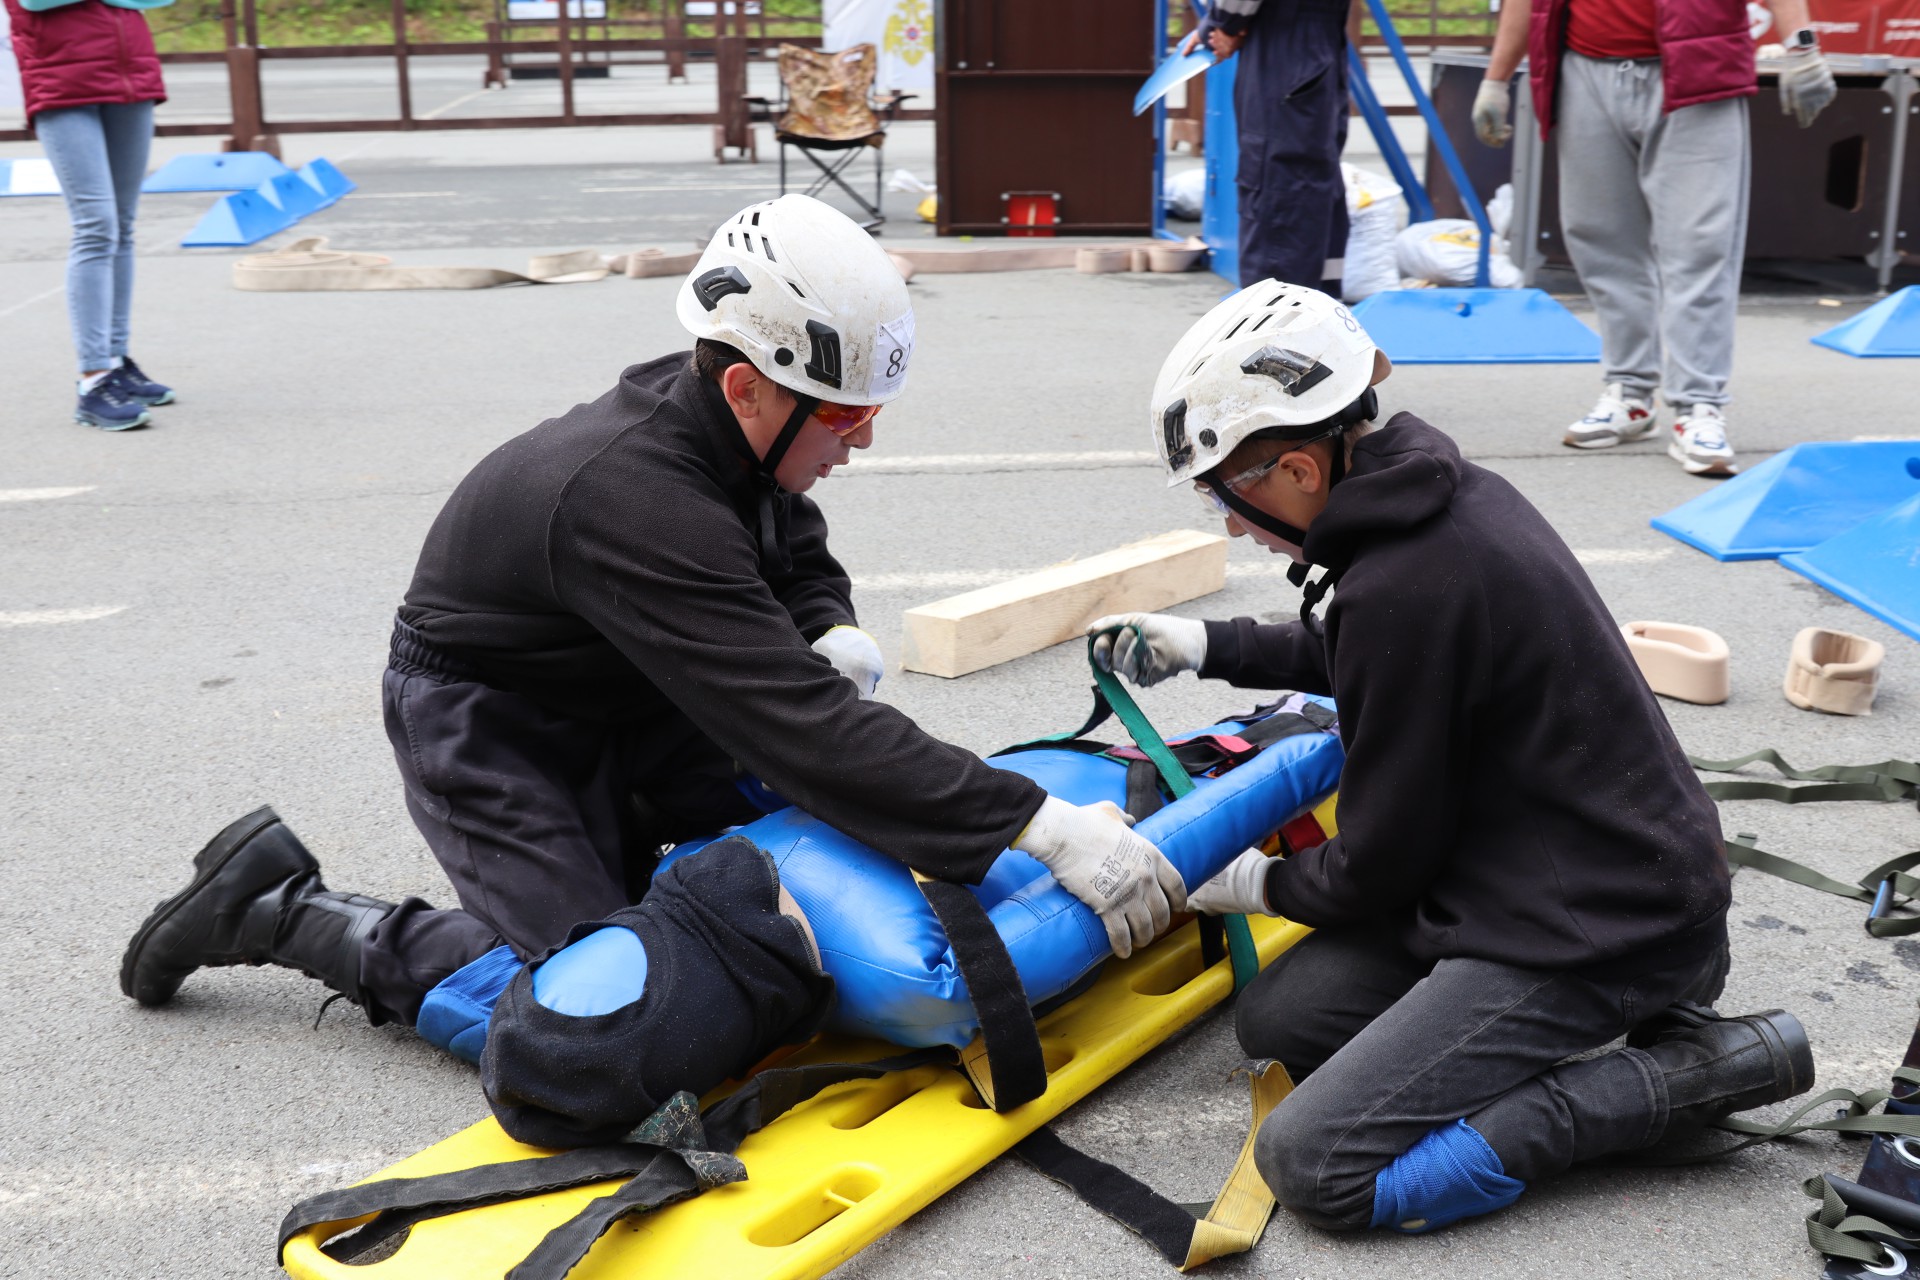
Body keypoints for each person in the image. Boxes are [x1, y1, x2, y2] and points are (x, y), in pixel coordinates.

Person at [119, 195, 1185, 1048]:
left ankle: (632, 841)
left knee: (823, 834)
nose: (862, 441)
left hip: (629, 688)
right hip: (495, 726)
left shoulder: (718, 426)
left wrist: (825, 624)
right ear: (747, 387)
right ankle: (282, 908)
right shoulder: (632, 498)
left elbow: (791, 537)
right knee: (603, 1008)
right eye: (847, 417)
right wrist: (1035, 822)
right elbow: (802, 723)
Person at [1089, 281, 1814, 1234]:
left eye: (1229, 493)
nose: (1228, 521)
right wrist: (1209, 647)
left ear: (1302, 469)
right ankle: (1612, 1025)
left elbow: (1380, 864)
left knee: (1317, 1164)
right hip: (1563, 876)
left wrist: (1244, 881)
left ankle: (1706, 1069)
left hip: (1600, 932)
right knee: (1282, 1024)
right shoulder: (1439, 502)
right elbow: (1374, 651)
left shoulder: (1406, 582)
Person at [1472, 0, 1835, 476]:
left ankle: (1698, 404)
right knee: (1601, 240)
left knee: (1702, 245)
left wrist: (1801, 48)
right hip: (1584, 67)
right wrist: (1496, 79)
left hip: (1698, 66)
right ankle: (1630, 391)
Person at [3, 0, 176, 431]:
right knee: (96, 226)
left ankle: (115, 361)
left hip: (130, 73)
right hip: (62, 80)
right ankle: (93, 377)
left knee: (123, 225)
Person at [1180, 0, 1350, 291]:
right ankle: (1315, 317)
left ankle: (1275, 323)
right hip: (1319, 37)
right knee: (1311, 183)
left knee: (1279, 185)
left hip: (1283, 39)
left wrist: (1221, 24)